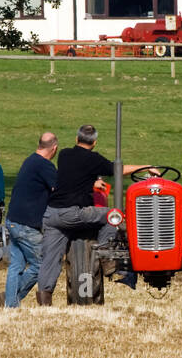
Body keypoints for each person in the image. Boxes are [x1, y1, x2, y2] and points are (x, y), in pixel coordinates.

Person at [33, 124, 157, 306]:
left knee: (50, 259)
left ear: (77, 139)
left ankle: (44, 301)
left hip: (51, 214)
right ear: (95, 142)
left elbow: (74, 177)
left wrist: (92, 182)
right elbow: (118, 169)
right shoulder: (94, 159)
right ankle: (106, 256)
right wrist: (147, 166)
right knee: (113, 215)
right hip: (73, 212)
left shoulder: (64, 154)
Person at [0, 132, 58, 308]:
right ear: (54, 148)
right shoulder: (45, 166)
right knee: (41, 264)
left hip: (12, 220)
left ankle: (10, 304)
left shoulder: (29, 160)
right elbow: (59, 190)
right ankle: (11, 299)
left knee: (16, 265)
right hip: (27, 225)